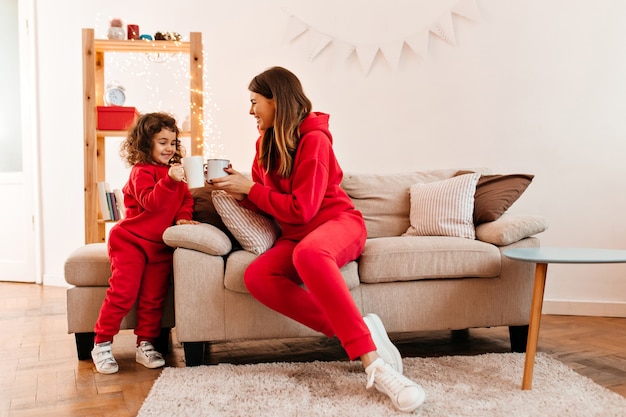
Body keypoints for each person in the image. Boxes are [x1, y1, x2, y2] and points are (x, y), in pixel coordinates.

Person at [210, 67, 425, 412]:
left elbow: (303, 209)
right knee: (257, 276)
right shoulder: (264, 143)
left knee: (308, 256)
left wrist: (252, 189)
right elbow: (272, 202)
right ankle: (360, 331)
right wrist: (239, 191)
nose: (250, 111)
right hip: (297, 236)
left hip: (336, 223)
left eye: (254, 102)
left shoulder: (315, 139)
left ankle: (374, 365)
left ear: (275, 100)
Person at [91, 112, 199, 374]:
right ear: (145, 143)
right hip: (131, 241)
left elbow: (185, 200)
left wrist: (183, 218)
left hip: (159, 246)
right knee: (123, 292)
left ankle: (146, 344)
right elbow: (151, 202)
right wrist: (169, 180)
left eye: (172, 143)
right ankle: (102, 344)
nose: (168, 148)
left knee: (153, 299)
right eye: (162, 142)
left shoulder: (175, 173)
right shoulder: (142, 171)